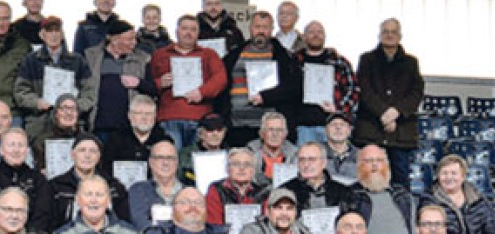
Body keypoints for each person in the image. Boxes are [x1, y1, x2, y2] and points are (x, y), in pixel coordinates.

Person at [353, 18, 424, 187]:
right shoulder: (367, 59)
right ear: (379, 35)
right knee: (366, 179)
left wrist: (396, 113)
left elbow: (416, 92)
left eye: (393, 32)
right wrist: (384, 113)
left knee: (400, 183)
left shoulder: (411, 62)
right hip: (371, 130)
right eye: (386, 31)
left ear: (400, 36)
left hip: (401, 133)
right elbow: (364, 89)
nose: (389, 35)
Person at [219, 11, 301, 147]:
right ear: (250, 28)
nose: (261, 31)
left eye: (265, 27)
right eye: (257, 27)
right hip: (237, 126)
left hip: (270, 128)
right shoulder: (234, 54)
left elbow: (294, 87)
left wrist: (266, 97)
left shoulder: (285, 56)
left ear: (272, 29)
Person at [149, 15, 227, 151]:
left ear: (198, 33)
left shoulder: (209, 54)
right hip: (169, 117)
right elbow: (148, 84)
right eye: (184, 28)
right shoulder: (160, 54)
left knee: (197, 161)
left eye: (193, 29)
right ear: (176, 31)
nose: (188, 33)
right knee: (171, 158)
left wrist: (202, 92)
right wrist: (160, 82)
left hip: (200, 117)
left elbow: (220, 78)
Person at [14, 16, 96, 131]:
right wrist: (37, 103)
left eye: (57, 30)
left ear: (62, 34)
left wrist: (74, 107)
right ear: (42, 35)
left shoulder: (78, 61)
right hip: (40, 121)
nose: (54, 35)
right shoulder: (31, 61)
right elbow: (21, 91)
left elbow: (89, 92)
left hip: (72, 123)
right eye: (49, 31)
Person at [0, 128, 53, 234]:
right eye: (11, 145)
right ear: (1, 150)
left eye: (21, 145)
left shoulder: (39, 180)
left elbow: (42, 215)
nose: (16, 150)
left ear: (27, 150)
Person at [420, 154, 495, 234]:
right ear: (438, 176)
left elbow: (491, 229)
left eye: (454, 173)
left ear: (463, 176)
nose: (449, 178)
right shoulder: (429, 200)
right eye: (444, 173)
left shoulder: (478, 199)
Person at [85, 21, 157, 138]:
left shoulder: (143, 59)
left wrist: (138, 83)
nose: (134, 43)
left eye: (134, 39)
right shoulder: (91, 57)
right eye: (129, 39)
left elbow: (154, 89)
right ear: (114, 40)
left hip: (130, 128)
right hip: (99, 126)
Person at [293, 21, 359, 145]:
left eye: (320, 32)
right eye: (311, 32)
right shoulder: (294, 61)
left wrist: (338, 108)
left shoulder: (339, 62)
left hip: (333, 123)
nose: (316, 35)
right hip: (302, 125)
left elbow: (353, 90)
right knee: (306, 162)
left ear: (325, 36)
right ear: (304, 36)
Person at [49, 133, 131, 231]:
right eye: (82, 150)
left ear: (99, 156)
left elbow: (124, 222)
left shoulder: (114, 187)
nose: (87, 155)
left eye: (93, 151)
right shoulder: (56, 186)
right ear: (72, 154)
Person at [349, 145, 414, 234]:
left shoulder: (402, 195)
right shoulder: (349, 196)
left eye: (379, 160)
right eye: (369, 161)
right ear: (359, 166)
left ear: (387, 165)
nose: (374, 165)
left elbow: (413, 232)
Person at [282, 141, 366, 218]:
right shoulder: (284, 191)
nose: (306, 164)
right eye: (302, 160)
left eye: (312, 159)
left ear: (324, 163)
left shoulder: (343, 192)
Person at [128, 140, 188, 232]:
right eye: (160, 157)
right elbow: (141, 224)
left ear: (177, 162)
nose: (165, 163)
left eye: (170, 158)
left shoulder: (189, 193)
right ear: (151, 162)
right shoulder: (138, 190)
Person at [101, 94, 170, 172]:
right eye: (139, 113)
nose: (144, 118)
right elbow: (106, 169)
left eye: (148, 113)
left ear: (155, 116)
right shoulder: (115, 139)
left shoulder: (164, 140)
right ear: (129, 116)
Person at [205, 147, 269, 225]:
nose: (242, 168)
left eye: (247, 164)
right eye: (236, 164)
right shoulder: (216, 189)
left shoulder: (262, 192)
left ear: (253, 171)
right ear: (228, 169)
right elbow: (214, 226)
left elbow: (266, 224)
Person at [29, 94, 84, 171]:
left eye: (73, 109)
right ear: (56, 114)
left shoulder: (85, 140)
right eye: (64, 108)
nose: (69, 113)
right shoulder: (41, 141)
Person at [246, 112, 298, 189]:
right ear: (261, 133)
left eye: (279, 130)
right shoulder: (250, 153)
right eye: (270, 130)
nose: (275, 134)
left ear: (285, 134)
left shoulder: (295, 154)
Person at [177, 112, 227, 187]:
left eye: (219, 129)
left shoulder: (231, 155)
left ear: (224, 132)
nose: (215, 133)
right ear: (200, 133)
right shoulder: (185, 155)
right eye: (210, 129)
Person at [325, 113, 360, 182]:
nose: (338, 128)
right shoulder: (315, 153)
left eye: (342, 125)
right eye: (333, 124)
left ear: (349, 130)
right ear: (326, 130)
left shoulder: (362, 156)